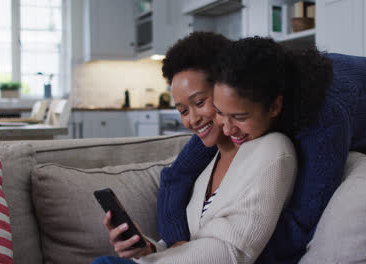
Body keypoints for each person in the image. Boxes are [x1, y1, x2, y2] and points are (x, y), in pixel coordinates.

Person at [157, 36, 366, 263]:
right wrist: (178, 245)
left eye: (237, 118)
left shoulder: (322, 118)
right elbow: (175, 176)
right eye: (218, 112)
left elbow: (301, 223)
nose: (225, 128)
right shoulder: (233, 106)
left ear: (274, 107)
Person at [92, 32, 297, 264]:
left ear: (224, 88)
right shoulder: (207, 163)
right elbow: (189, 246)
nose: (192, 120)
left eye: (199, 102)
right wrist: (146, 250)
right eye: (182, 111)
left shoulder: (271, 150)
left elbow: (233, 251)